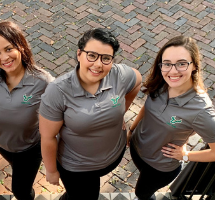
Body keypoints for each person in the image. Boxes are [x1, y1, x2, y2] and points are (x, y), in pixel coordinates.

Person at [38, 28, 142, 200]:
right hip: (78, 167)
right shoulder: (57, 91)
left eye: (106, 58)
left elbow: (137, 81)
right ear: (79, 54)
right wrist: (51, 170)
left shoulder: (119, 75)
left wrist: (122, 111)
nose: (98, 64)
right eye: (92, 55)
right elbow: (48, 137)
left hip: (113, 156)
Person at [128, 36, 215, 200]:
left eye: (182, 63)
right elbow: (146, 108)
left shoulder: (201, 109)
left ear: (194, 66)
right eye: (167, 63)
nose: (173, 71)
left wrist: (186, 156)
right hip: (136, 148)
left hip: (159, 168)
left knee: (141, 194)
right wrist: (132, 130)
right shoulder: (161, 82)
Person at [0, 21, 54, 200]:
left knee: (20, 191)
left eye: (9, 48)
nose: (4, 58)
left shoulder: (43, 81)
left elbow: (66, 104)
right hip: (0, 142)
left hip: (30, 149)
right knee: (17, 172)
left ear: (21, 46)